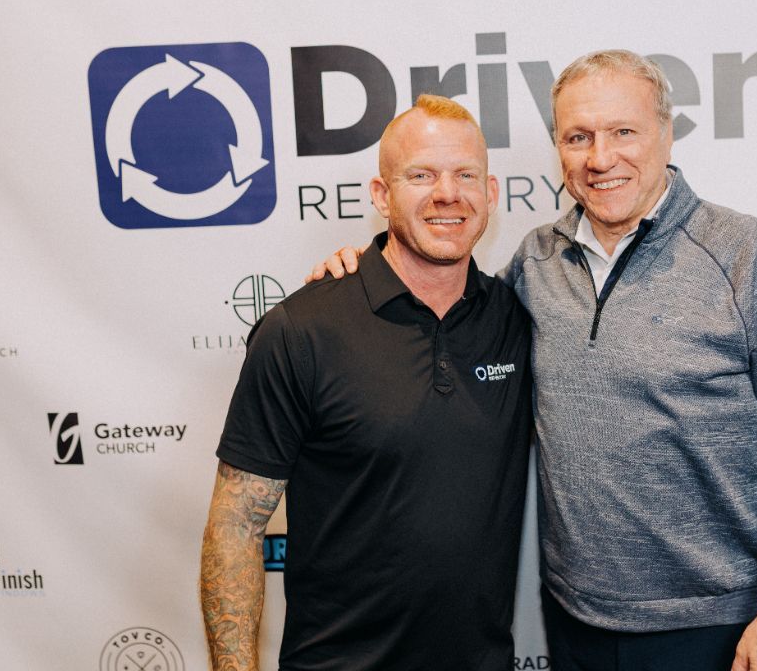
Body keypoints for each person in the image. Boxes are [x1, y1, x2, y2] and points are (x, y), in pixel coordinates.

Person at [310, 50, 757, 671]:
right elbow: (447, 313)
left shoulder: (748, 258)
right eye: (579, 137)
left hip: (718, 628)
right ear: (559, 148)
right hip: (573, 624)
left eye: (623, 132)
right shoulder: (536, 262)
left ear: (665, 134)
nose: (601, 158)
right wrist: (359, 281)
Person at [201, 95, 533, 671]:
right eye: (421, 175)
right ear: (382, 195)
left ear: (492, 193)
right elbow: (234, 532)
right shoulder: (302, 330)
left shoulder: (517, 319)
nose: (447, 194)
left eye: (465, 175)